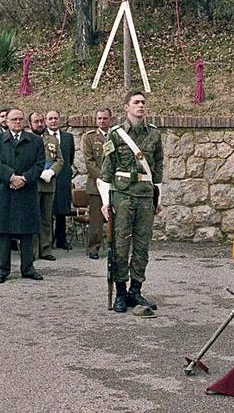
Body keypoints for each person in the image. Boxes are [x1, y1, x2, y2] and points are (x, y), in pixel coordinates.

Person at [99, 91, 164, 313]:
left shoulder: (154, 134)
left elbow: (158, 168)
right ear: (126, 107)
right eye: (136, 102)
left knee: (142, 246)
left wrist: (158, 197)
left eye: (143, 102)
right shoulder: (115, 135)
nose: (141, 106)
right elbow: (107, 170)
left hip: (145, 197)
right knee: (120, 246)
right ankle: (121, 292)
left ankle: (136, 290)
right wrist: (105, 202)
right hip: (122, 196)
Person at [0, 108, 44, 283]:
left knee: (27, 233)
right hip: (4, 191)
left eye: (20, 119)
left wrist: (24, 179)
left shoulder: (35, 141)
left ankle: (28, 268)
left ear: (25, 122)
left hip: (26, 191)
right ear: (7, 122)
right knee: (3, 233)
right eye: (14, 120)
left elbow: (39, 164)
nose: (17, 122)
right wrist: (11, 177)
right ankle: (1, 270)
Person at [29, 111, 63, 261]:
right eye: (36, 121)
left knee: (47, 217)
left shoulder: (52, 140)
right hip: (33, 184)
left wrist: (52, 171)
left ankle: (46, 248)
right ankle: (33, 250)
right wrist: (36, 172)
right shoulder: (26, 140)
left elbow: (60, 160)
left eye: (41, 121)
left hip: (49, 183)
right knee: (33, 217)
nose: (40, 124)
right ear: (30, 124)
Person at [81, 107, 112, 260]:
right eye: (99, 118)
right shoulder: (90, 138)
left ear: (110, 119)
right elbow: (89, 161)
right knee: (96, 219)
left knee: (118, 217)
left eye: (105, 118)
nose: (102, 121)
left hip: (116, 184)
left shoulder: (117, 136)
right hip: (97, 185)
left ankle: (116, 247)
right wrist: (103, 177)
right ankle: (94, 248)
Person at [46, 110, 74, 251]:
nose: (53, 121)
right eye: (50, 118)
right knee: (48, 209)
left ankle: (61, 240)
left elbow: (70, 157)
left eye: (56, 118)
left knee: (62, 210)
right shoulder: (42, 138)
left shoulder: (68, 137)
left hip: (63, 177)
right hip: (47, 177)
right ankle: (48, 240)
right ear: (46, 121)